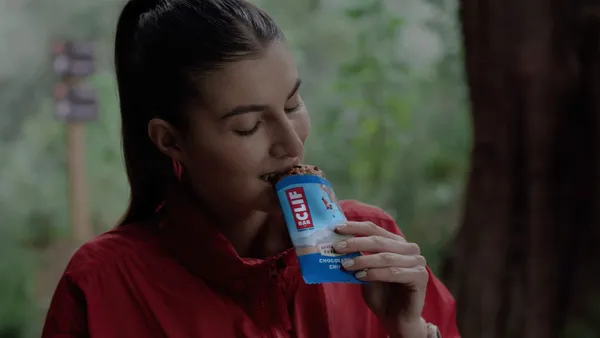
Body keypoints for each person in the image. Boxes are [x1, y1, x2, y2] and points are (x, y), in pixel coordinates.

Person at [42, 0, 460, 337]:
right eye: (249, 126)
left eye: (293, 104)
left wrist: (407, 329)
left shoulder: (372, 246)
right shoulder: (103, 287)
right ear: (171, 140)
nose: (293, 143)